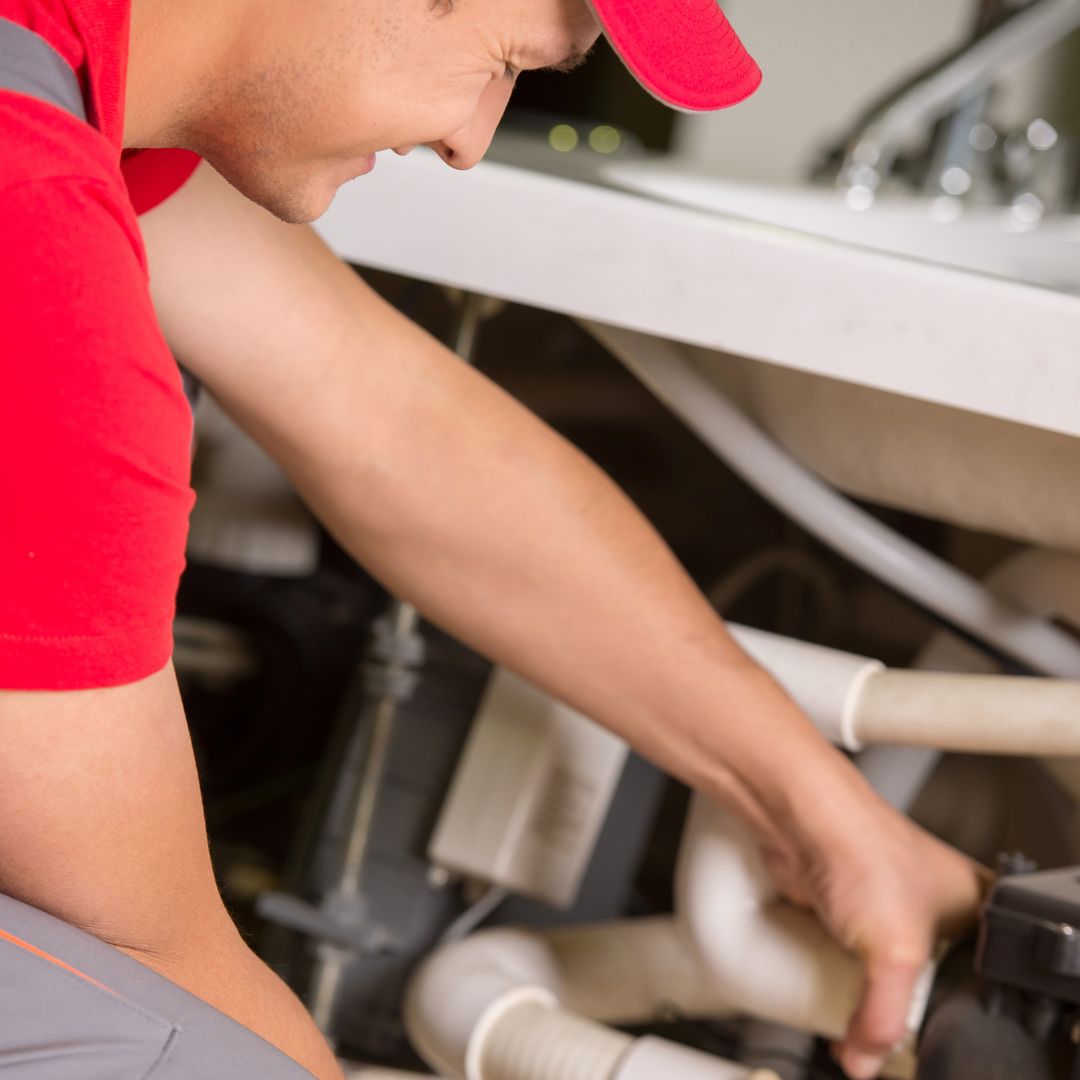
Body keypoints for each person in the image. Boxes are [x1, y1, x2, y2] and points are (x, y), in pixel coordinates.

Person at [0, 0, 986, 1077]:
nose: (470, 141)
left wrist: (828, 814)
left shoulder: (72, 81)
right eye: (502, 60)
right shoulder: (28, 227)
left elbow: (389, 422)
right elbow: (151, 964)